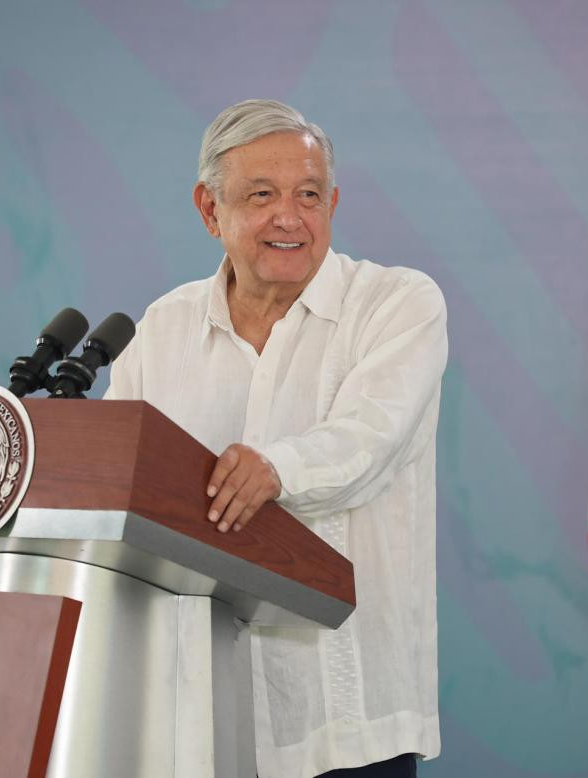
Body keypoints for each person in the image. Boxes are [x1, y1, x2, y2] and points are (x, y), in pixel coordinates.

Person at [104, 99, 446, 778]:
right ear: (210, 210)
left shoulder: (397, 304)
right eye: (262, 195)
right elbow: (118, 479)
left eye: (309, 195)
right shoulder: (162, 329)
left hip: (347, 727)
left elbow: (366, 442)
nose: (290, 217)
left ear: (333, 204)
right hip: (197, 725)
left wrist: (275, 470)